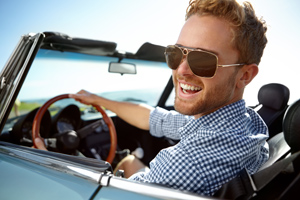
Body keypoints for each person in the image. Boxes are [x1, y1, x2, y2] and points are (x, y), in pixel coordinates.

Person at [35, 0, 269, 196]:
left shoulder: (184, 166)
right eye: (176, 54)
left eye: (203, 60)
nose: (181, 70)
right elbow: (157, 118)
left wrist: (47, 163)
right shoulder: (247, 122)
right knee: (126, 161)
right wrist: (98, 99)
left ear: (245, 75)